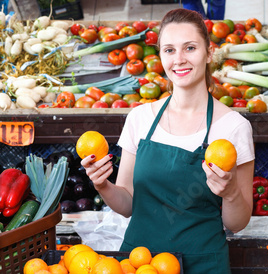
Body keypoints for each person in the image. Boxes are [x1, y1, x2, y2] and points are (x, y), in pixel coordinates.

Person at [81, 8, 255, 273]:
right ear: (160, 55)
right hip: (139, 263)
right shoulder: (140, 118)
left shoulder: (234, 127)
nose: (179, 60)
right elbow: (127, 204)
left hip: (204, 264)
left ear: (208, 53)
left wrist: (230, 193)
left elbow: (237, 223)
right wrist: (102, 185)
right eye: (169, 50)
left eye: (190, 48)